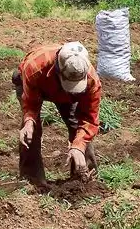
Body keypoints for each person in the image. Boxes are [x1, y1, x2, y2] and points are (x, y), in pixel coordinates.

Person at [13, 41, 102, 187]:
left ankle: (84, 178)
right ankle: (32, 180)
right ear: (58, 70)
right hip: (36, 83)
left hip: (64, 92)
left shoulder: (92, 81)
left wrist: (78, 146)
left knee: (77, 127)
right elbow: (30, 102)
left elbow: (89, 119)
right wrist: (29, 120)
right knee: (31, 132)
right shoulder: (35, 67)